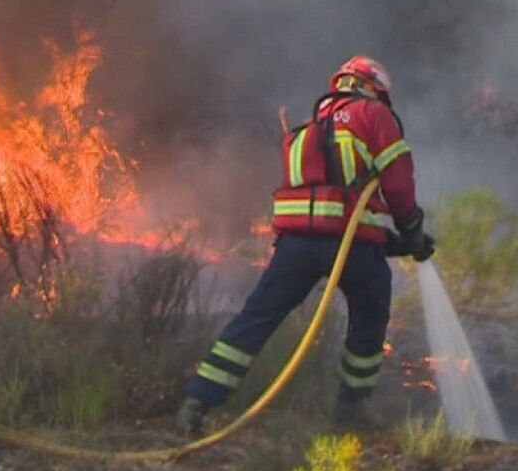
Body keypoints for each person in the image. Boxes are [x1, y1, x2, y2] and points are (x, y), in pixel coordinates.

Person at [177, 55, 435, 435]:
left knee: (257, 317)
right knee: (370, 311)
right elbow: (396, 184)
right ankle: (352, 409)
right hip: (351, 249)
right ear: (375, 89)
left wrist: (390, 242)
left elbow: (325, 208)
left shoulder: (306, 131)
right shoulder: (374, 115)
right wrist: (412, 230)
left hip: (296, 246)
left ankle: (197, 401)